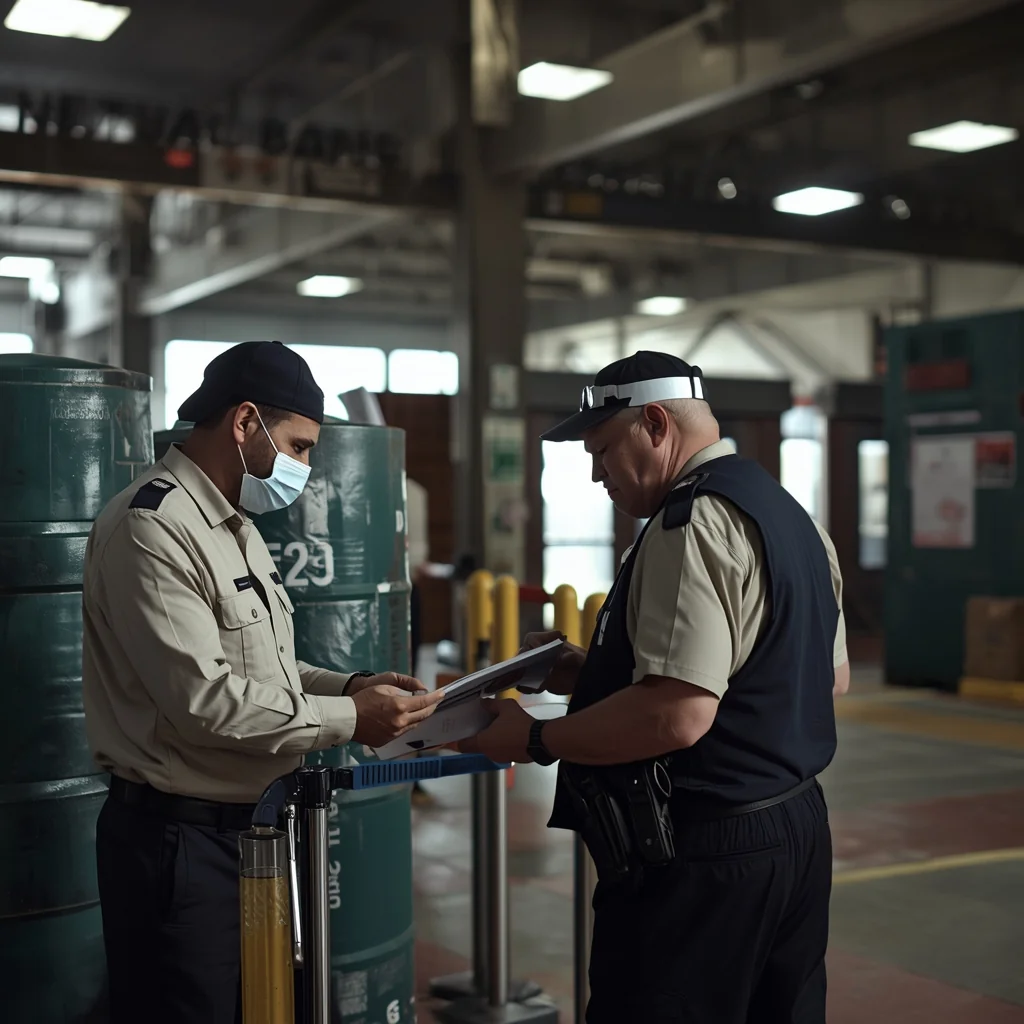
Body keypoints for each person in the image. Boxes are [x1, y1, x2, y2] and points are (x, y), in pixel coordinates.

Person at [461, 351, 849, 1024]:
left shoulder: (688, 523)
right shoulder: (792, 517)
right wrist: (592, 673)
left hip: (707, 855)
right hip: (796, 834)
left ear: (657, 425)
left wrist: (532, 736)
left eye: (604, 448)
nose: (594, 472)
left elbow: (677, 716)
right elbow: (818, 675)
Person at [82, 340, 444, 1024]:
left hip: (250, 831)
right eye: (300, 447)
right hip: (180, 845)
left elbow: (267, 673)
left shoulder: (233, 525)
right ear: (245, 423)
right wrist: (351, 720)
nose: (306, 467)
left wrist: (353, 684)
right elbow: (206, 705)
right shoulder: (153, 528)